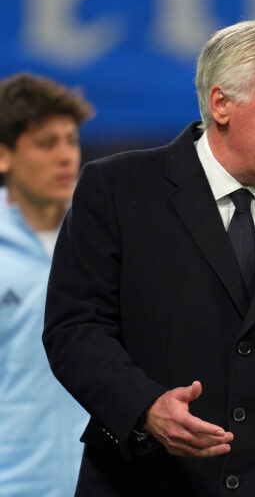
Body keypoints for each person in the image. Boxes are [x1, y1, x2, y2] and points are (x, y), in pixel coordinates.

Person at [43, 20, 255, 496]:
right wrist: (144, 408)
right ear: (221, 104)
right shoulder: (117, 189)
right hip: (143, 481)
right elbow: (74, 329)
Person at [0, 73, 92, 496]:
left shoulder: (106, 242)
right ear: (4, 155)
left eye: (70, 141)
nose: (65, 157)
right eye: (46, 143)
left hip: (98, 482)